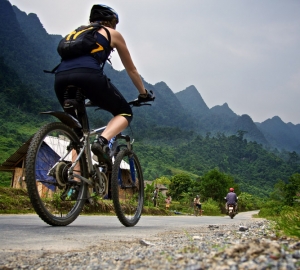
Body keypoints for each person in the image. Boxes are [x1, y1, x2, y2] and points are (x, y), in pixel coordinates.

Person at [54, 4, 154, 163]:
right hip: (88, 76)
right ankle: (101, 142)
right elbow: (132, 70)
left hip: (60, 78)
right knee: (125, 113)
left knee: (77, 133)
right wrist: (143, 93)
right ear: (110, 21)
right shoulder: (112, 33)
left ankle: (75, 181)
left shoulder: (78, 32)